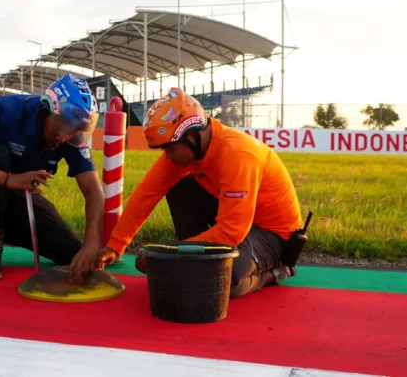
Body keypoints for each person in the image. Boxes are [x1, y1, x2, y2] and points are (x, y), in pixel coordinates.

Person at [92, 88, 305, 297]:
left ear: (193, 137)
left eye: (171, 148)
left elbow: (231, 232)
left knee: (219, 281)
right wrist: (115, 246)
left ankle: (274, 273)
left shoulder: (237, 155)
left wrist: (171, 254)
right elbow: (148, 192)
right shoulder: (189, 147)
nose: (168, 156)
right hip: (241, 220)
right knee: (179, 186)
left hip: (275, 234)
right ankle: (194, 258)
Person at [0, 74, 104, 283]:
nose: (63, 136)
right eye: (61, 126)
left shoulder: (71, 136)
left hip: (13, 196)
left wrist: (91, 243)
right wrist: (9, 179)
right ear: (47, 108)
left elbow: (93, 190)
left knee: (71, 253)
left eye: (75, 131)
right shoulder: (4, 111)